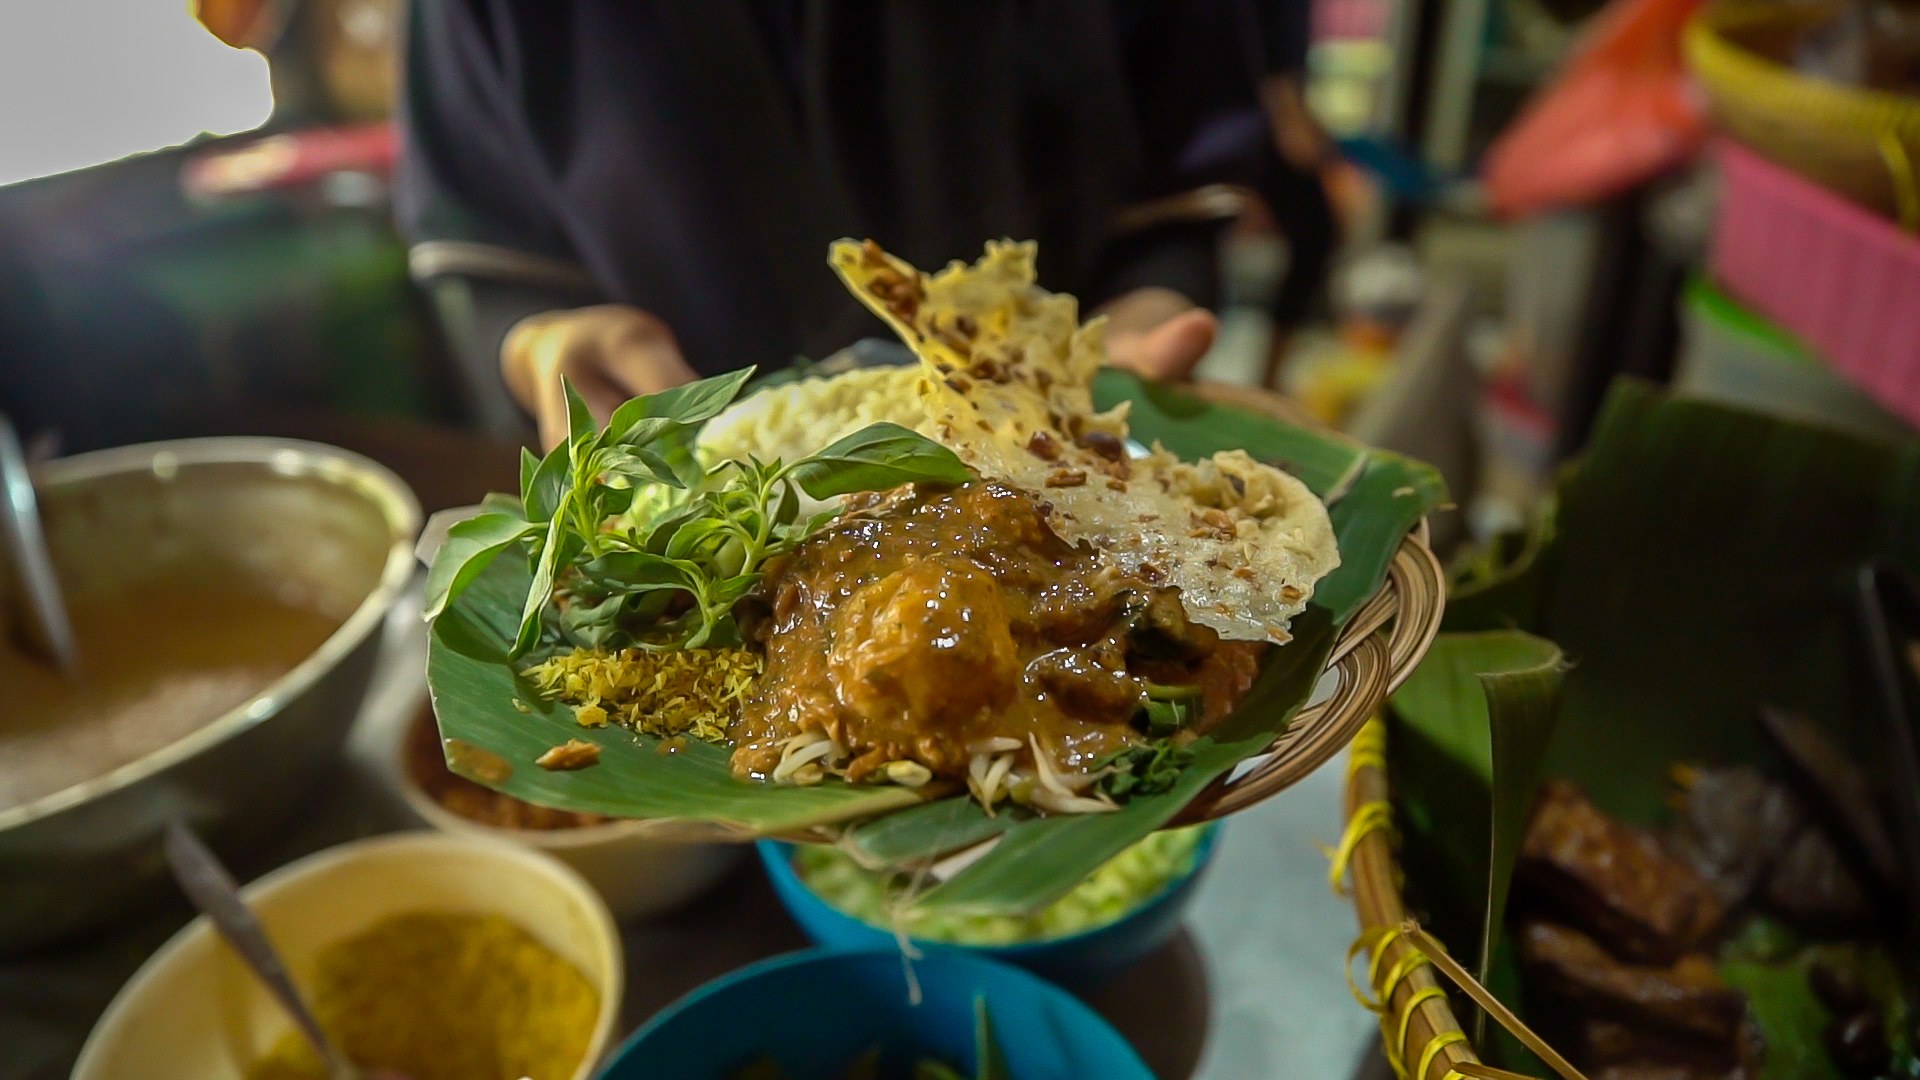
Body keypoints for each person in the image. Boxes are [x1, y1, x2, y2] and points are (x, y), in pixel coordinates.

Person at [396, 1, 1282, 448]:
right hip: (718, 498)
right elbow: (487, 239)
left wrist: (1142, 311)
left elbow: (1180, 168)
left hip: (1056, 444)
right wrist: (549, 340)